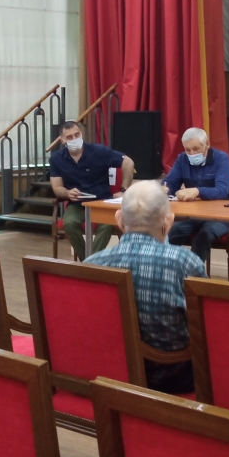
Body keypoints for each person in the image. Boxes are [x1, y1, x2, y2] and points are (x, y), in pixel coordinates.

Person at [86, 181, 206, 394]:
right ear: (168, 222)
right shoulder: (185, 263)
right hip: (175, 377)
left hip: (114, 372)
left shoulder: (92, 264)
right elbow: (208, 330)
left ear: (119, 220)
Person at [49, 121, 134, 261]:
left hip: (101, 202)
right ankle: (91, 262)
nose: (74, 139)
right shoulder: (56, 159)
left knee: (107, 224)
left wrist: (124, 190)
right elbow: (57, 188)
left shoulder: (99, 151)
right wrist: (67, 193)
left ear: (81, 134)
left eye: (77, 135)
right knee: (69, 223)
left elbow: (128, 162)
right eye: (69, 137)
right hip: (77, 204)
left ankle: (91, 263)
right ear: (63, 140)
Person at [163, 127, 229, 263]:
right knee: (169, 232)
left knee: (203, 235)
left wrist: (197, 191)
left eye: (196, 149)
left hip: (221, 216)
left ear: (207, 144)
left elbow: (222, 191)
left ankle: (194, 273)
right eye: (188, 150)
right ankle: (168, 270)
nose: (192, 153)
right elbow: (170, 184)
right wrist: (164, 190)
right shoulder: (182, 159)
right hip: (194, 215)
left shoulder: (221, 158)